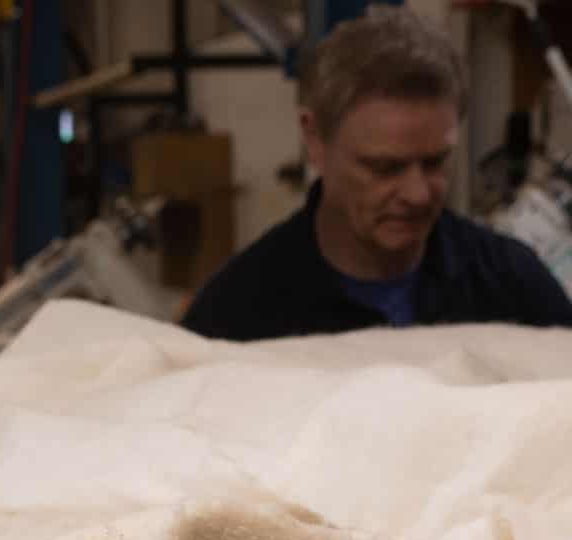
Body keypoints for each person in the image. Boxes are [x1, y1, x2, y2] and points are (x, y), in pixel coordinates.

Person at [182, 5, 572, 341]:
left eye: (435, 162)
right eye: (385, 168)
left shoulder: (513, 287)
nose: (418, 194)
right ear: (314, 139)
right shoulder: (238, 313)